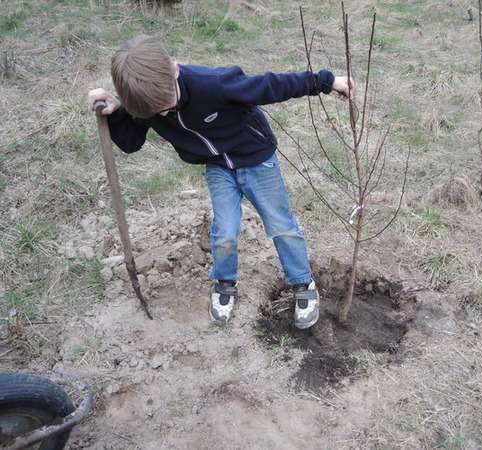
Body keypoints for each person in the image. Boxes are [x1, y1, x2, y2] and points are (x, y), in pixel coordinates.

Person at [87, 34, 355, 329]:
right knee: (224, 231)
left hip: (257, 160)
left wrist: (327, 82)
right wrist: (117, 110)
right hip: (217, 167)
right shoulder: (148, 100)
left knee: (281, 225)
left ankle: (303, 285)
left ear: (175, 70)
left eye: (166, 107)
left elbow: (272, 85)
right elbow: (130, 143)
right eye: (156, 113)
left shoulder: (214, 84)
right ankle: (225, 283)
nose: (163, 115)